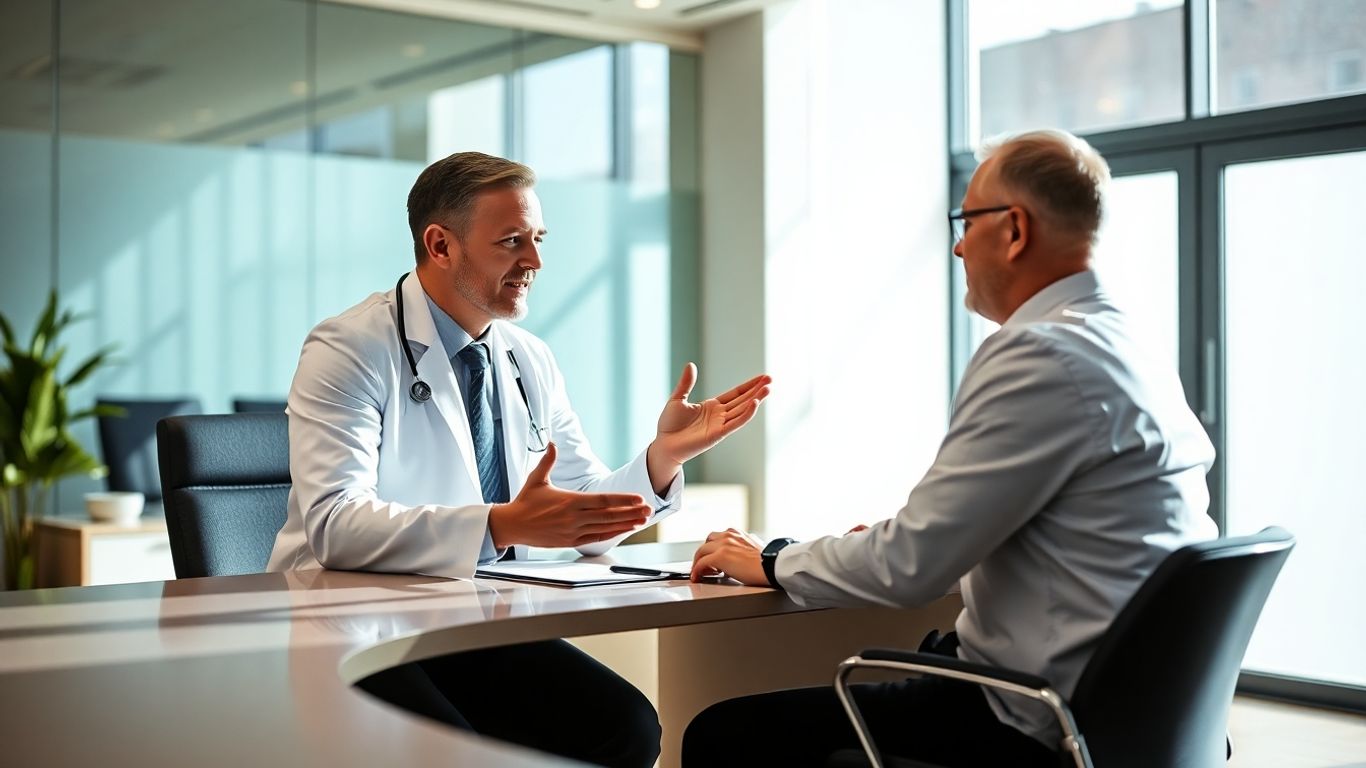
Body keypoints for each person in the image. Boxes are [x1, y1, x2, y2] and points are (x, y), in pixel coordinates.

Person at [682, 129, 1217, 768]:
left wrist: (772, 559)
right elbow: (1052, 530)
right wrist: (896, 540)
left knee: (723, 734)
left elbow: (909, 567)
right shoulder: (1130, 345)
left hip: (1028, 718)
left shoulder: (1038, 352)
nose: (959, 245)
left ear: (1014, 230)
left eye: (965, 221)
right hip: (1128, 712)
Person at [267, 151, 770, 768]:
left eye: (537, 239)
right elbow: (335, 525)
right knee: (456, 753)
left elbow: (582, 504)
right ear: (440, 245)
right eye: (511, 242)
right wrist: (503, 524)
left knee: (626, 728)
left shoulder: (528, 356)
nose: (534, 261)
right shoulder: (349, 348)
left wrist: (662, 458)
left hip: (467, 621)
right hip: (353, 628)